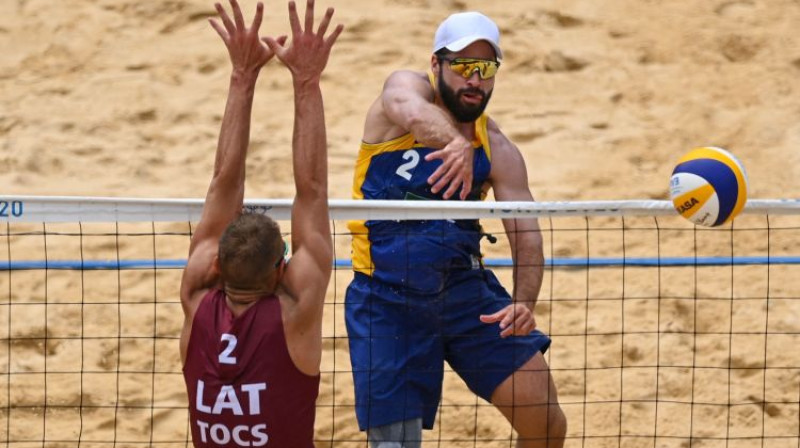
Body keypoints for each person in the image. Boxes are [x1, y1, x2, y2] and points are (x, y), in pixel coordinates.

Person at [345, 11, 567, 448]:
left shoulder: (498, 148)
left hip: (465, 294)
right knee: (395, 443)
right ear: (436, 65)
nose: (474, 80)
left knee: (546, 423)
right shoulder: (403, 93)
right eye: (462, 66)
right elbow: (408, 108)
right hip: (386, 297)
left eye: (485, 69)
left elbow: (527, 235)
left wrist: (524, 301)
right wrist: (454, 143)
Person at [179, 0, 342, 446]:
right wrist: (306, 80)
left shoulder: (195, 296)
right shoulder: (294, 314)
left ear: (216, 265)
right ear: (279, 271)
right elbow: (311, 188)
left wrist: (242, 76)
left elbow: (222, 184)